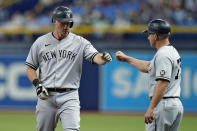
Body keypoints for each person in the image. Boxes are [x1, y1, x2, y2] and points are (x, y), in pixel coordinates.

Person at [25, 6, 112, 131]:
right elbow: (30, 68)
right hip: (46, 96)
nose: (66, 26)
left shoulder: (80, 42)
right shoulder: (40, 42)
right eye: (63, 22)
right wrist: (37, 84)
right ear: (54, 21)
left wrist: (103, 58)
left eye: (69, 23)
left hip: (69, 96)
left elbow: (96, 57)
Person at [116, 19, 183, 131]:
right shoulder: (171, 51)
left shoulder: (163, 54)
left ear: (156, 36)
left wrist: (151, 108)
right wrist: (127, 59)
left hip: (163, 105)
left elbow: (162, 83)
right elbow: (148, 67)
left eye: (150, 34)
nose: (148, 37)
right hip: (174, 105)